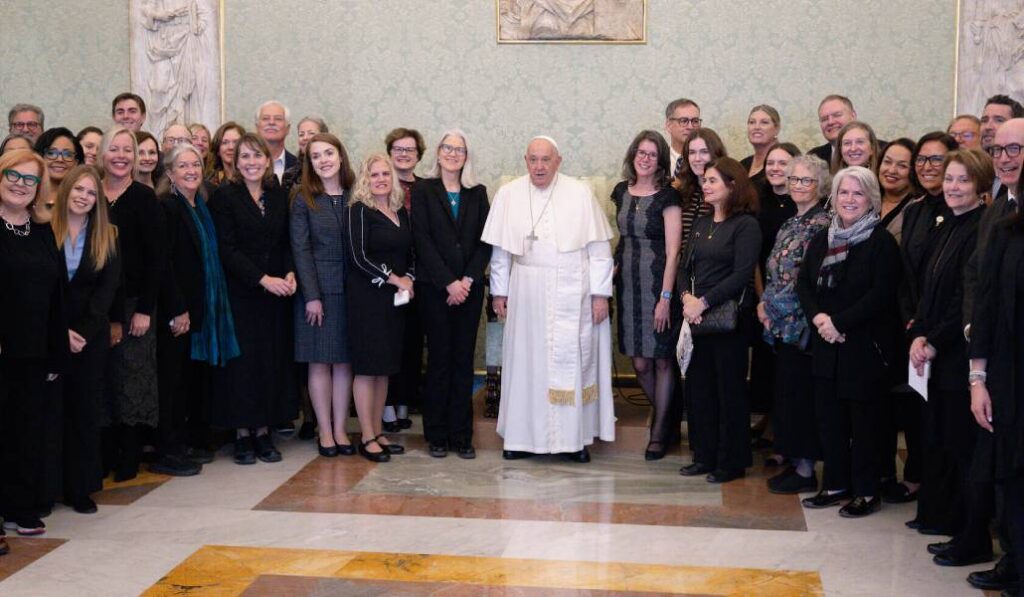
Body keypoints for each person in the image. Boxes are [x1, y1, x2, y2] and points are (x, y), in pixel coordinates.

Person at [482, 136, 615, 462]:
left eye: (546, 160)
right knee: (525, 364)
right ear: (525, 161)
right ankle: (521, 438)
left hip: (574, 289)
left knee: (571, 366)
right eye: (533, 160)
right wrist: (499, 291)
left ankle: (574, 440)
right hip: (526, 288)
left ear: (559, 161)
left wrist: (600, 295)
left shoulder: (579, 193)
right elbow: (500, 251)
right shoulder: (509, 194)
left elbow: (599, 250)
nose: (539, 166)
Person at [797, 166, 901, 518]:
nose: (850, 199)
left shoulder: (880, 241)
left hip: (864, 346)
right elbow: (805, 286)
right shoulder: (823, 238)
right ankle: (836, 484)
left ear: (871, 199)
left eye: (858, 193)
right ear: (834, 197)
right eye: (844, 192)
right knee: (830, 420)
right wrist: (820, 320)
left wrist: (838, 322)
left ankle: (867, 491)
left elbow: (882, 295)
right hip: (826, 344)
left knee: (865, 423)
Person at [908, 149, 990, 562]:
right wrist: (920, 332)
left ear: (980, 186)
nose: (954, 187)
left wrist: (935, 339)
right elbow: (929, 287)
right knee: (935, 436)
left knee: (960, 445)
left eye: (963, 180)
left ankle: (965, 531)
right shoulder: (945, 224)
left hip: (959, 352)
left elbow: (966, 300)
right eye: (950, 179)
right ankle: (937, 516)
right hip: (933, 347)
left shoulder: (981, 228)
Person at [958, 118, 1024, 593]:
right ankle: (1015, 564)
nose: (1005, 157)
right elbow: (984, 298)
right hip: (1005, 370)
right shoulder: (1002, 215)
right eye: (999, 150)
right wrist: (977, 376)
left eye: (1016, 148)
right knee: (1008, 473)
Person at [209, 133, 296, 465]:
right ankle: (242, 434)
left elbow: (287, 241)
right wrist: (263, 280)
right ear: (235, 161)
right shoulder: (224, 197)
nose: (251, 162)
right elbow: (226, 249)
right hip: (242, 293)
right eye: (244, 156)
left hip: (276, 295)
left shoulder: (278, 195)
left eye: (257, 156)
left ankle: (263, 431)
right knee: (243, 366)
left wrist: (289, 273)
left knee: (270, 361)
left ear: (267, 160)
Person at [157, 143, 241, 475]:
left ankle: (186, 442)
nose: (191, 170)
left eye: (195, 165)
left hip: (202, 310)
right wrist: (177, 309)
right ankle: (168, 450)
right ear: (169, 174)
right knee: (172, 385)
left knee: (189, 382)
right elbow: (164, 264)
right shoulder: (167, 207)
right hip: (179, 311)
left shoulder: (200, 206)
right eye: (183, 166)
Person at [0, 149, 69, 536]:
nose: (20, 184)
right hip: (2, 347)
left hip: (35, 348)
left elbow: (56, 291)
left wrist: (57, 347)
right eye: (13, 175)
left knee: (26, 430)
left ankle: (18, 506)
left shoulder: (42, 229)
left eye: (29, 179)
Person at [679, 157, 760, 483]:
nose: (705, 185)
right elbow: (685, 267)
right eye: (705, 181)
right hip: (696, 320)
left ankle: (731, 461)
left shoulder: (746, 225)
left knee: (729, 392)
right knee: (699, 390)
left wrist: (705, 302)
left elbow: (742, 274)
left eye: (712, 180)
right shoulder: (700, 224)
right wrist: (686, 298)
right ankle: (704, 455)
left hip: (729, 322)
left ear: (732, 185)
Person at [411, 129, 491, 459]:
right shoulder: (423, 189)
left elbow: (486, 241)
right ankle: (437, 435)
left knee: (462, 363)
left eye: (459, 149)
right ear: (438, 153)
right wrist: (448, 282)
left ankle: (462, 435)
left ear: (466, 155)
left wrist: (468, 280)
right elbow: (422, 240)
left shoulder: (477, 192)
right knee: (440, 361)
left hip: (469, 292)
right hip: (436, 291)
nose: (452, 153)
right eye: (447, 147)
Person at [758, 154, 832, 493]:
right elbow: (775, 270)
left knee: (802, 397)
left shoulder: (822, 224)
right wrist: (765, 304)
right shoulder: (791, 222)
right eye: (794, 180)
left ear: (820, 186)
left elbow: (810, 278)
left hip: (803, 324)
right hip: (779, 323)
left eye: (806, 181)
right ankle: (796, 463)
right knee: (788, 394)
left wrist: (775, 306)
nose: (798, 186)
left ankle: (805, 472)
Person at [50, 165, 120, 514]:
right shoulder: (44, 229)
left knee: (84, 412)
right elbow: (42, 289)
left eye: (91, 193)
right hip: (49, 334)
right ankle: (48, 486)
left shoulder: (107, 235)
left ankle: (80, 488)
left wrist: (83, 333)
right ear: (65, 191)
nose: (83, 197)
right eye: (78, 189)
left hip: (89, 339)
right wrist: (59, 332)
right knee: (50, 412)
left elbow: (105, 294)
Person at [99, 126, 165, 482]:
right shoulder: (91, 192)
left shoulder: (142, 196)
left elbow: (157, 257)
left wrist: (144, 309)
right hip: (97, 305)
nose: (121, 156)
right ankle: (106, 448)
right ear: (102, 155)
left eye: (128, 150)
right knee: (104, 375)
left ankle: (130, 452)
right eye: (115, 149)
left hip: (135, 303)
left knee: (134, 377)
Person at [611, 130, 681, 460]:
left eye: (652, 154)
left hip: (656, 285)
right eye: (640, 151)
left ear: (661, 161)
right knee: (639, 362)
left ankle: (659, 432)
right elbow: (622, 239)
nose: (645, 158)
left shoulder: (668, 197)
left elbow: (673, 251)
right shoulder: (621, 192)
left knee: (663, 360)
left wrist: (666, 297)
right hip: (627, 287)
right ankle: (669, 418)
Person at [345, 154, 415, 462]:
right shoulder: (359, 210)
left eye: (385, 173)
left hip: (395, 301)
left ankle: (379, 431)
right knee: (367, 368)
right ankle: (367, 435)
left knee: (384, 368)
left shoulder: (399, 210)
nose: (381, 179)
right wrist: (395, 278)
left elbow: (411, 251)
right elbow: (358, 257)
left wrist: (409, 279)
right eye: (374, 175)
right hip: (367, 300)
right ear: (365, 179)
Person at [290, 133, 356, 457]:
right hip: (317, 292)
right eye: (316, 156)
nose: (324, 160)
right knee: (319, 364)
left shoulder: (356, 194)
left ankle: (342, 429)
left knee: (344, 364)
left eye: (328, 153)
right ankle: (325, 431)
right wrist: (311, 295)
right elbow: (300, 250)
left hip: (352, 291)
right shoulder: (303, 198)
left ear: (340, 156)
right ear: (310, 163)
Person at [385, 127, 427, 432]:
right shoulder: (379, 183)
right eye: (398, 149)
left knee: (412, 344)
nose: (403, 154)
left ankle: (404, 402)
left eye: (409, 150)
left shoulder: (427, 188)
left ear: (418, 155)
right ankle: (386, 406)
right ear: (389, 152)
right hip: (385, 279)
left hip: (420, 278)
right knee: (388, 344)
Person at [676, 128, 727, 253]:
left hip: (712, 268)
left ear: (716, 154)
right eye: (692, 152)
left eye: (704, 152)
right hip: (683, 268)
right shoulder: (681, 191)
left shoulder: (727, 193)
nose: (697, 158)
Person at [33, 127, 84, 224]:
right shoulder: (28, 195)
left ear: (76, 162)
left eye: (68, 154)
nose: (60, 159)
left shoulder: (84, 198)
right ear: (40, 157)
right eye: (51, 153)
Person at [876, 138, 918, 243]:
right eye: (887, 162)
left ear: (914, 171)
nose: (891, 170)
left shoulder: (918, 209)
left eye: (902, 165)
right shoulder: (866, 197)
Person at [282, 116, 327, 192]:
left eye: (311, 133)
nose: (305, 138)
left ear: (325, 137)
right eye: (301, 134)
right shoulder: (290, 176)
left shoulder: (333, 169)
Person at [255, 100, 296, 183]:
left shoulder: (298, 167)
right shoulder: (246, 165)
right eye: (265, 118)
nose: (271, 122)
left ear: (288, 129)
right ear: (257, 127)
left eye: (278, 119)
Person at [809, 95, 857, 165]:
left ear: (853, 116)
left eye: (837, 115)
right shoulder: (814, 157)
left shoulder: (877, 150)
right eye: (824, 119)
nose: (830, 122)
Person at [740, 105, 781, 185]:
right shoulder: (742, 165)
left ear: (777, 129)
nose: (757, 127)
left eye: (764, 122)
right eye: (752, 122)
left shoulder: (783, 163)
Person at [663, 98, 702, 177]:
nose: (690, 127)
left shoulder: (709, 161)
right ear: (669, 125)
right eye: (684, 121)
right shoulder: (657, 161)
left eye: (695, 121)